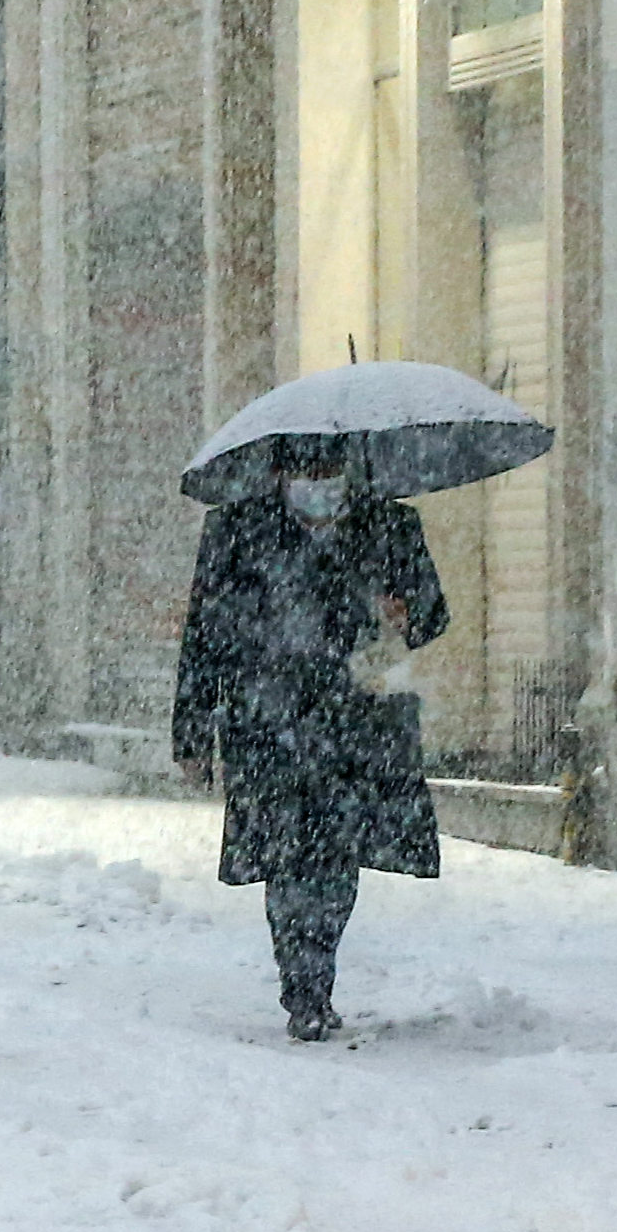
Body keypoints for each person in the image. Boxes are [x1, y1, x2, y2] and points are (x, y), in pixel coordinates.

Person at [172, 443, 445, 1041]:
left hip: (360, 718)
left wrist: (406, 614)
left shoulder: (390, 524)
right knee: (285, 853)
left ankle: (315, 971)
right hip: (267, 721)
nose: (319, 485)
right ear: (280, 475)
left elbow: (432, 613)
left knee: (337, 852)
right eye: (306, 474)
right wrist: (192, 733)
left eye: (330, 474)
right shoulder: (237, 530)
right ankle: (304, 983)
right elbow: (204, 636)